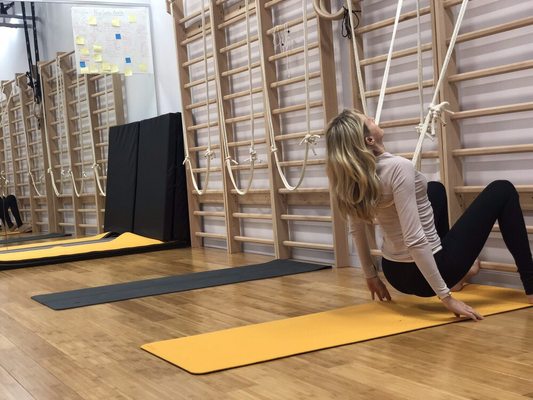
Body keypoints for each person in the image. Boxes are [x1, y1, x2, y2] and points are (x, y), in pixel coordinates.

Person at [325, 109, 533, 321]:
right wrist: (447, 298)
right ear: (369, 139)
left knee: (434, 189)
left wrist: (371, 276)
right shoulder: (398, 167)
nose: (372, 118)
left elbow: (356, 229)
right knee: (502, 189)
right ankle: (531, 284)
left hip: (394, 273)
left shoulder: (356, 177)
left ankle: (456, 280)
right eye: (367, 120)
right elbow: (414, 239)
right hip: (426, 277)